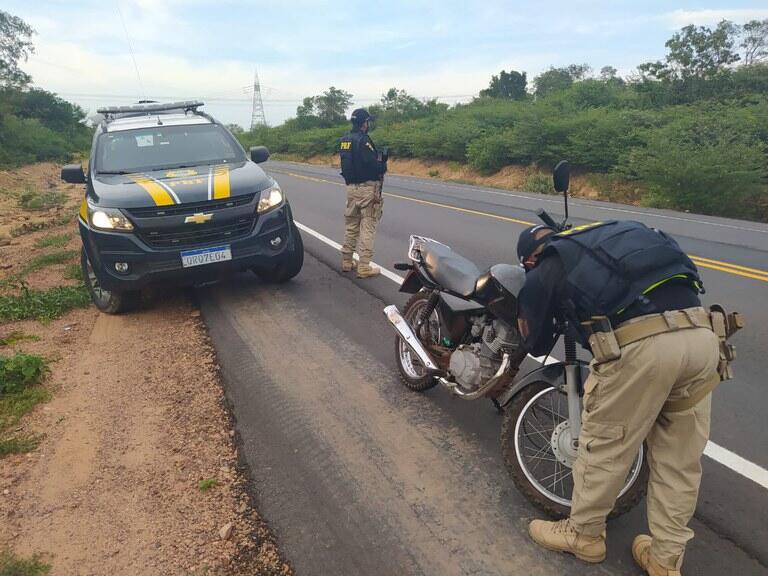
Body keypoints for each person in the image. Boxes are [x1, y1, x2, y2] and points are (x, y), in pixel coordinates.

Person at [516, 221, 722, 576]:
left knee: (604, 445)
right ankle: (665, 559)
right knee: (680, 460)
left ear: (530, 260)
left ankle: (583, 535)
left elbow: (533, 341)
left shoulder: (548, 264)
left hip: (645, 348)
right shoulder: (615, 237)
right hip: (704, 338)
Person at [338, 108, 386, 279]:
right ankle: (364, 266)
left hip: (351, 189)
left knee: (351, 226)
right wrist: (383, 165)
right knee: (368, 226)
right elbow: (372, 165)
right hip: (367, 189)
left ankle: (346, 261)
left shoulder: (344, 140)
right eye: (367, 122)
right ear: (364, 123)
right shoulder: (363, 141)